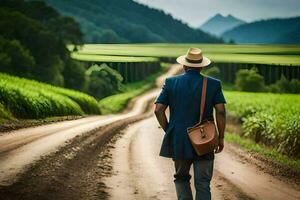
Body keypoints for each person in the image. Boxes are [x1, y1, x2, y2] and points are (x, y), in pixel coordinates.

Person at [154, 48, 226, 200]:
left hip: (179, 139)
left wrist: (170, 130)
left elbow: (158, 110)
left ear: (184, 66)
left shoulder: (171, 82)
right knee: (203, 183)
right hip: (205, 139)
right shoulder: (213, 84)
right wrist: (220, 138)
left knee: (181, 178)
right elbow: (220, 112)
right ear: (201, 66)